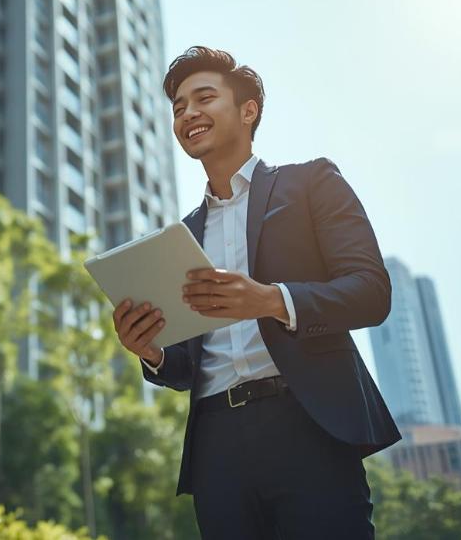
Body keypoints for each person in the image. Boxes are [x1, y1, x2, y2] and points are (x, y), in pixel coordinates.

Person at [112, 46, 400, 538]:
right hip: (216, 448)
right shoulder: (181, 238)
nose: (188, 114)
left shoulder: (311, 183)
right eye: (179, 107)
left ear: (249, 110)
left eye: (204, 98)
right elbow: (186, 366)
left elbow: (371, 292)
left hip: (308, 425)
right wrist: (153, 352)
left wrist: (270, 300)